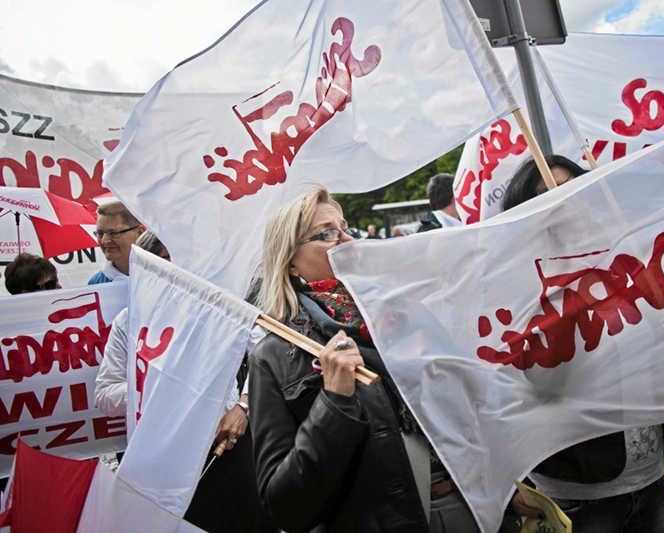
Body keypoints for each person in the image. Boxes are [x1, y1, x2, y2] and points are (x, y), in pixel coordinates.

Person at [249, 187, 480, 532]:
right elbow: (285, 507)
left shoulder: (405, 313)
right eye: (326, 234)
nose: (346, 241)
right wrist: (334, 402)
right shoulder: (276, 355)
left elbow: (470, 412)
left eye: (345, 229)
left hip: (471, 508)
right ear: (291, 261)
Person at [502, 156, 664, 533]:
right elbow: (506, 389)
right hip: (577, 492)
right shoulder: (515, 287)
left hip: (653, 475)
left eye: (571, 189)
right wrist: (509, 483)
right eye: (545, 195)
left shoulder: (622, 260)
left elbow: (659, 352)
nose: (562, 202)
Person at [94, 231, 268, 533]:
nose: (180, 268)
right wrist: (158, 386)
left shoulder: (217, 311)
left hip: (226, 447)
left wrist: (243, 406)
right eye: (167, 260)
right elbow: (105, 395)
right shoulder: (128, 322)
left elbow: (268, 354)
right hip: (162, 461)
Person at [88, 201, 146, 284]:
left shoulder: (162, 276)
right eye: (100, 234)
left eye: (113, 233)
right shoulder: (96, 284)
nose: (104, 240)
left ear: (140, 232)